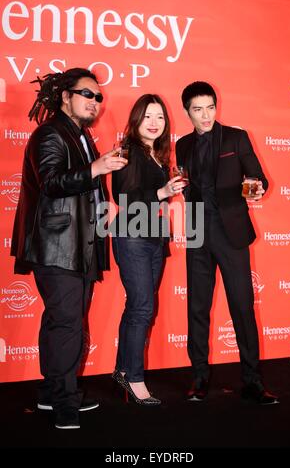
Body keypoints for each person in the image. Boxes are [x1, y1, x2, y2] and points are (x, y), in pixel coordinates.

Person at [10, 67, 127, 429]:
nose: (95, 101)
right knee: (67, 325)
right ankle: (64, 404)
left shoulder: (79, 135)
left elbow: (84, 184)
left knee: (61, 322)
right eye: (87, 94)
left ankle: (51, 394)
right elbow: (51, 183)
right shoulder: (50, 133)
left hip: (78, 244)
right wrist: (97, 168)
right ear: (65, 96)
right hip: (59, 246)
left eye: (98, 97)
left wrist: (105, 202)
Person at [176, 81, 279, 405]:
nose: (205, 116)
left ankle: (252, 381)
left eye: (210, 107)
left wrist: (258, 188)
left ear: (216, 107)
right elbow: (187, 185)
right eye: (198, 109)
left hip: (231, 232)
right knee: (197, 307)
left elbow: (258, 177)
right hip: (197, 232)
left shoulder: (236, 137)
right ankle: (200, 377)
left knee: (242, 307)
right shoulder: (182, 145)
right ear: (187, 112)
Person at [111, 94, 185, 405]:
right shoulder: (128, 151)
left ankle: (122, 370)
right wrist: (162, 190)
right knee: (142, 308)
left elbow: (154, 199)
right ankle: (135, 378)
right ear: (136, 119)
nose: (154, 123)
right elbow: (123, 198)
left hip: (154, 237)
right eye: (148, 117)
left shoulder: (158, 153)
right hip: (131, 237)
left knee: (138, 307)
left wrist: (171, 189)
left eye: (160, 117)